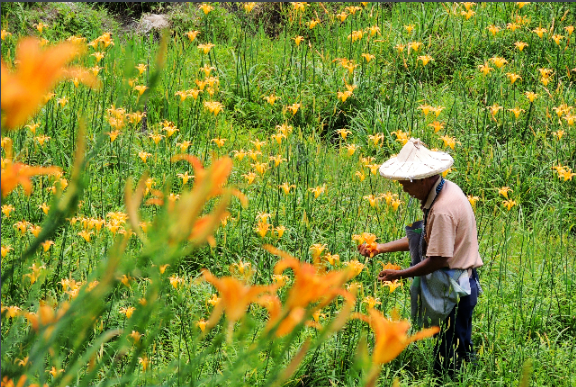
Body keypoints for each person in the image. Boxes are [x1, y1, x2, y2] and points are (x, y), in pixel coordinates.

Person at [358, 138, 483, 379]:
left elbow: (437, 259)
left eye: (406, 183)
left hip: (456, 291)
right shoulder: (444, 190)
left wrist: (399, 274)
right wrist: (380, 248)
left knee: (448, 359)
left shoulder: (442, 210)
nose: (403, 189)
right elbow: (428, 239)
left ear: (423, 180)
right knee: (458, 342)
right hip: (458, 284)